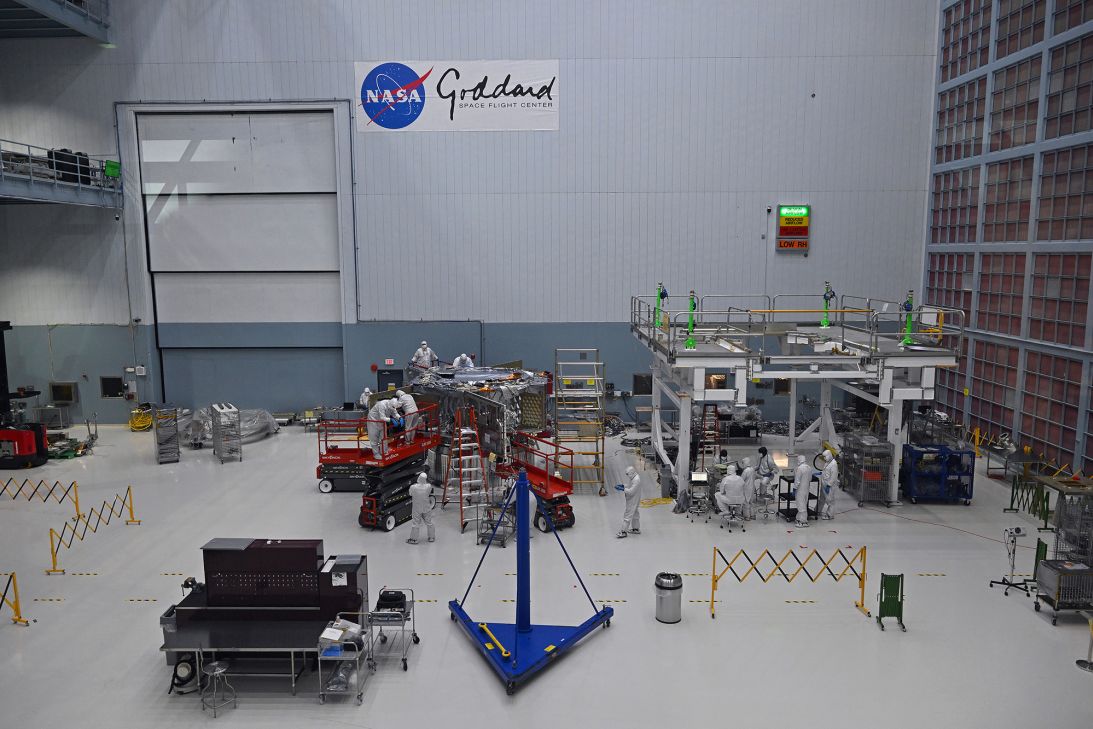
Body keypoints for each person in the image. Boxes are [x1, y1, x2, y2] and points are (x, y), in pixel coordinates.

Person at [406, 473, 436, 544]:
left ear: (419, 478)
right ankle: (431, 537)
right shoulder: (428, 486)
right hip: (426, 507)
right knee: (429, 522)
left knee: (416, 523)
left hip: (417, 508)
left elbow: (410, 494)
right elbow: (429, 493)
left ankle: (414, 539)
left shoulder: (413, 487)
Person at [617, 466, 642, 538]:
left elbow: (631, 492)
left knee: (627, 515)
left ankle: (623, 532)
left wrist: (623, 489)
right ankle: (636, 529)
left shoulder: (636, 480)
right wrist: (623, 486)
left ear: (632, 472)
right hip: (635, 499)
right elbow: (630, 485)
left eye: (628, 474)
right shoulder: (634, 477)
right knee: (635, 513)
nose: (628, 476)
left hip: (633, 500)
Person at [793, 454, 813, 528]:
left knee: (801, 505)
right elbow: (810, 479)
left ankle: (803, 522)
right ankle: (798, 518)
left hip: (800, 489)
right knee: (804, 503)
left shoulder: (800, 468)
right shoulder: (809, 467)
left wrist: (794, 488)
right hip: (806, 489)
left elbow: (797, 480)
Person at [819, 449, 839, 519]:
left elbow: (833, 476)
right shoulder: (827, 462)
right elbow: (826, 471)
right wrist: (821, 473)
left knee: (830, 500)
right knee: (821, 499)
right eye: (824, 457)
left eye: (825, 457)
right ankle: (817, 511)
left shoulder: (834, 464)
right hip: (824, 484)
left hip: (828, 486)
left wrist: (829, 485)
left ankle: (830, 515)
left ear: (829, 456)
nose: (824, 458)